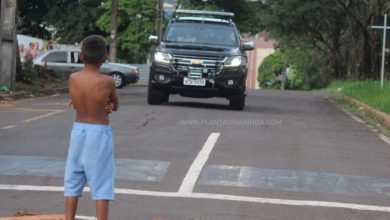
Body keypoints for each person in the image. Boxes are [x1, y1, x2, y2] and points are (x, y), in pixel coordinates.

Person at [64, 35, 118, 220]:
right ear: (105, 58)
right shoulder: (108, 81)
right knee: (102, 183)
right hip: (99, 133)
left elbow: (78, 100)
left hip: (78, 131)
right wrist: (110, 106)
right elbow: (114, 105)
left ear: (81, 57)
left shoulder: (73, 78)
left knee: (73, 179)